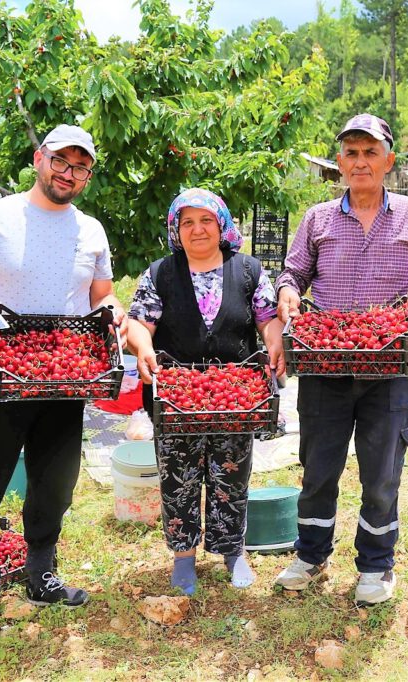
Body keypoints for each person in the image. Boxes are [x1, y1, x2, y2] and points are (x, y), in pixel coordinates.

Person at [0, 125, 125, 648]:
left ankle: (40, 573)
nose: (68, 173)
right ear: (39, 159)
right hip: (1, 375)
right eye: (61, 161)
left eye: (80, 167)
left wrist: (113, 312)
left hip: (65, 379)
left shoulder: (91, 230)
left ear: (88, 176)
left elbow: (102, 294)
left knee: (55, 483)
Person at [274, 113, 408, 606]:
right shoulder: (318, 218)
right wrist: (287, 292)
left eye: (371, 152)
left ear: (389, 161)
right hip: (326, 362)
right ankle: (311, 554)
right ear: (339, 162)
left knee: (382, 471)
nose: (360, 162)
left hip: (389, 363)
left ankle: (375, 563)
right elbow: (292, 273)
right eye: (351, 153)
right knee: (318, 466)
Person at [125, 188, 286, 596]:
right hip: (177, 396)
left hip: (237, 394)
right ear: (176, 230)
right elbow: (139, 322)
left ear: (222, 225)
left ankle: (232, 551)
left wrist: (274, 343)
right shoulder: (161, 273)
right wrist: (143, 347)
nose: (197, 230)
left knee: (231, 473)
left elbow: (268, 318)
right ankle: (183, 556)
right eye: (187, 223)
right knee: (177, 474)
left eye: (206, 221)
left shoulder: (247, 270)